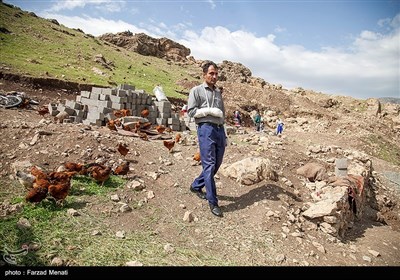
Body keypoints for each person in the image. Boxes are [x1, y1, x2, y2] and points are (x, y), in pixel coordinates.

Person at [187, 61, 226, 217]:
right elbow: (191, 111)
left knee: (217, 164)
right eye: (211, 73)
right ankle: (213, 202)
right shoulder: (196, 91)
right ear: (204, 74)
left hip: (219, 130)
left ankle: (196, 185)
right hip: (206, 129)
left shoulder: (218, 93)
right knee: (209, 164)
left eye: (216, 74)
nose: (214, 76)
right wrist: (208, 111)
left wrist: (225, 134)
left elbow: (222, 113)